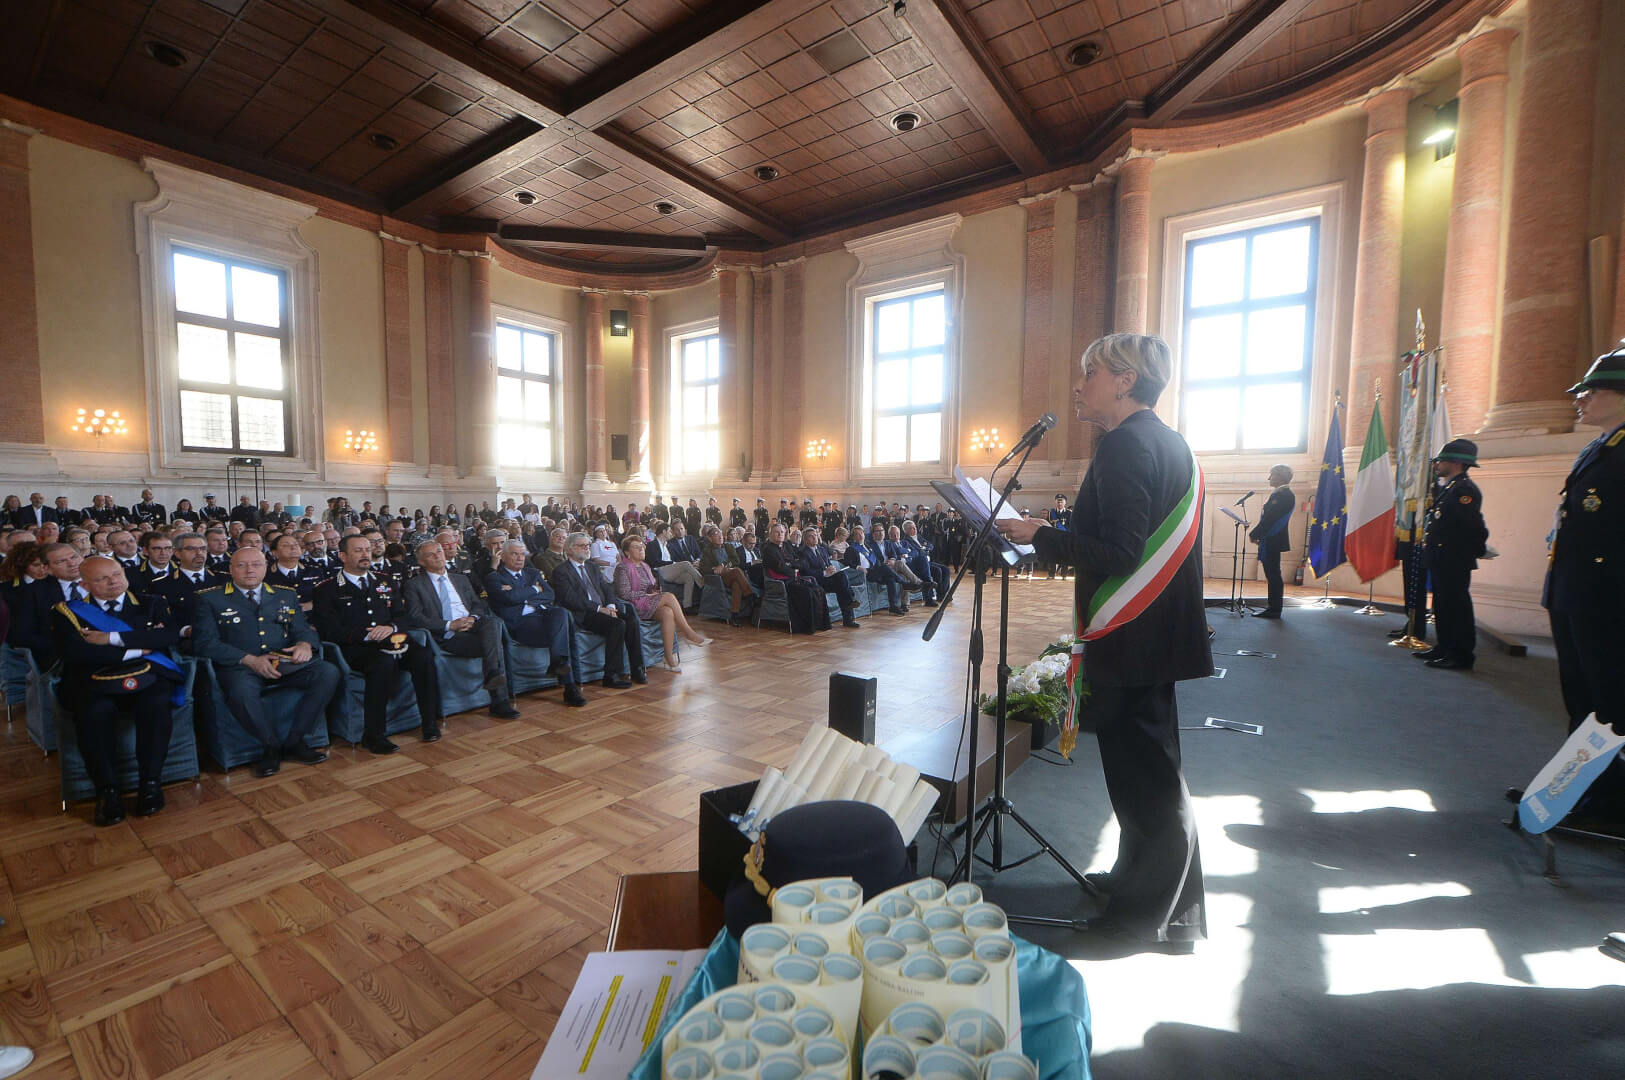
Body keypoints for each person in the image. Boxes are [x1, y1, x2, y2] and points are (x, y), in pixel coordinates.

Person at [996, 332, 1211, 949]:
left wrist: (1040, 535)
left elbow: (1120, 552)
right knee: (1146, 773)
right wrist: (1053, 532)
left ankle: (1155, 917)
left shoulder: (1123, 445)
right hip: (1152, 637)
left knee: (1148, 781)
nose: (1078, 384)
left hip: (1134, 637)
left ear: (1124, 380)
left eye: (1089, 372)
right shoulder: (1167, 441)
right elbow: (1129, 540)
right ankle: (1139, 883)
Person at [1538, 347, 1625, 823]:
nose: (1580, 400)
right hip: (1576, 590)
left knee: (1609, 700)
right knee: (1582, 697)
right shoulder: (1600, 447)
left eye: (1591, 392)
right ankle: (1570, 788)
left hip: (1607, 597)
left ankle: (1607, 801)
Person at [50, 555, 184, 824]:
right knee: (94, 712)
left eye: (116, 574)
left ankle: (150, 783)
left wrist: (111, 638)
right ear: (85, 585)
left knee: (156, 705)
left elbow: (167, 636)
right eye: (102, 579)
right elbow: (76, 651)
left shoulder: (151, 603)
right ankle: (107, 790)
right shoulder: (68, 612)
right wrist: (137, 649)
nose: (113, 582)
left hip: (147, 676)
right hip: (94, 680)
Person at [192, 547, 340, 777]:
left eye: (256, 564)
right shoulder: (210, 598)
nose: (249, 570)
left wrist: (304, 644)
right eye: (242, 565)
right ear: (231, 569)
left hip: (283, 662)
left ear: (266, 567)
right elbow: (205, 643)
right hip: (241, 666)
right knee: (240, 692)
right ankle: (270, 746)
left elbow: (303, 629)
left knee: (328, 672)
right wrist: (249, 660)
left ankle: (295, 740)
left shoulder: (285, 594)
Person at [313, 535, 444, 754]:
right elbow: (330, 630)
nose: (366, 554)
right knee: (382, 663)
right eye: (358, 551)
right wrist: (367, 635)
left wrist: (392, 627)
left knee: (423, 656)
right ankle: (374, 735)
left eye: (367, 549)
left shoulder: (386, 581)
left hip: (392, 637)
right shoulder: (327, 589)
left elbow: (403, 616)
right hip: (357, 646)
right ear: (342, 556)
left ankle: (429, 722)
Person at [404, 540, 525, 716]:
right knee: (494, 644)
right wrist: (450, 625)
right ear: (421, 561)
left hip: (473, 625)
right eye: (431, 555)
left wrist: (472, 618)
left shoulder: (460, 578)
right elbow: (416, 617)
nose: (438, 556)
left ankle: (493, 674)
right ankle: (499, 700)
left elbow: (478, 604)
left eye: (439, 551)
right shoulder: (414, 585)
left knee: (493, 623)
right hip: (449, 635)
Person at [1416, 439, 1488, 670]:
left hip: (1453, 559)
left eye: (1441, 461)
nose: (1437, 465)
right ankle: (1445, 647)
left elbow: (1472, 526)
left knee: (1456, 607)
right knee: (1442, 605)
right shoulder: (1450, 488)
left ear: (1456, 463)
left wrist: (1473, 551)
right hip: (1442, 557)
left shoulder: (1464, 490)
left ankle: (1461, 654)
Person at [550, 532, 645, 688]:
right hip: (583, 614)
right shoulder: (561, 571)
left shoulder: (592, 566)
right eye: (582, 545)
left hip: (603, 609)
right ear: (570, 549)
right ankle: (611, 675)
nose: (587, 548)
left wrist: (611, 606)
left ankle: (637, 668)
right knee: (617, 625)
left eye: (588, 545)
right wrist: (599, 608)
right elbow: (570, 599)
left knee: (631, 620)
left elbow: (607, 589)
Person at [614, 536, 709, 671]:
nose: (641, 549)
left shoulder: (645, 566)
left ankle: (668, 657)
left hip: (647, 603)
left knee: (667, 613)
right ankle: (689, 634)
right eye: (636, 547)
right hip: (633, 607)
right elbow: (624, 594)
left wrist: (653, 591)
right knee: (669, 597)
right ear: (627, 552)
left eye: (642, 546)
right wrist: (646, 595)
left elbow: (649, 588)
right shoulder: (622, 568)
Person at [762, 522, 829, 634]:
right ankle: (805, 626)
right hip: (782, 582)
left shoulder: (787, 546)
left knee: (818, 589)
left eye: (782, 532)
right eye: (777, 532)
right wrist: (793, 567)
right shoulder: (768, 549)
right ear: (770, 534)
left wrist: (791, 565)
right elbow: (780, 568)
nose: (780, 534)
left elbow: (800, 561)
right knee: (807, 592)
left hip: (793, 578)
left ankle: (820, 624)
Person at [1248, 465, 1295, 619]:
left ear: (1281, 477)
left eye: (1272, 475)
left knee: (1273, 575)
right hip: (1272, 538)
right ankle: (1273, 607)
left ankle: (1274, 609)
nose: (1269, 478)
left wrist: (1255, 533)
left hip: (1273, 539)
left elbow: (1270, 519)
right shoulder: (1281, 494)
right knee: (1272, 574)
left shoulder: (1283, 495)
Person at [798, 527, 861, 628]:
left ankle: (848, 618)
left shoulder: (822, 550)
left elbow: (828, 564)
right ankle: (849, 606)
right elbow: (805, 571)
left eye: (816, 535)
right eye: (811, 536)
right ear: (805, 540)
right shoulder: (803, 552)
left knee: (841, 581)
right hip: (815, 581)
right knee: (842, 584)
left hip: (828, 579)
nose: (814, 537)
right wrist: (824, 573)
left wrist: (831, 569)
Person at [698, 524, 755, 625]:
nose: (720, 536)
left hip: (730, 573)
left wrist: (723, 565)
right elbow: (702, 568)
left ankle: (734, 615)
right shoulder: (707, 551)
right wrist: (714, 569)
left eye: (721, 533)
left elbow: (736, 560)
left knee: (737, 584)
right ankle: (750, 595)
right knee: (737, 571)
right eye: (716, 534)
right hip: (719, 577)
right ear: (710, 538)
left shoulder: (728, 546)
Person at [645, 521, 705, 608]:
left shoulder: (667, 545)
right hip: (660, 571)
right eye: (669, 531)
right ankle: (703, 585)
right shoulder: (652, 544)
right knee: (686, 563)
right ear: (664, 532)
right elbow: (655, 562)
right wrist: (672, 563)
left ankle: (687, 605)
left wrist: (673, 563)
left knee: (688, 577)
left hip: (670, 571)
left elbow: (671, 560)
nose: (671, 533)